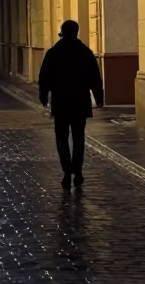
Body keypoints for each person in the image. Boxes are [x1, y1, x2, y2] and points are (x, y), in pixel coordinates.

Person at [38, 20, 104, 188]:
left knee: (61, 138)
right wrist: (99, 97)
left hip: (60, 102)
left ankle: (67, 172)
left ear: (62, 32)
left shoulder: (53, 53)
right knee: (78, 137)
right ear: (76, 32)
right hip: (79, 101)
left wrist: (44, 96)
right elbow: (95, 77)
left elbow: (44, 77)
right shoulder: (85, 52)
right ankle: (78, 171)